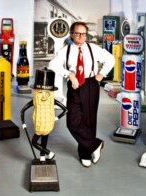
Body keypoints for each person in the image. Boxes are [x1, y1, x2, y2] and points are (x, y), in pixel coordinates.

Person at [48, 22, 115, 167]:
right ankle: (95, 144)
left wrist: (100, 75)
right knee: (72, 121)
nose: (81, 37)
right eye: (78, 33)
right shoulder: (65, 50)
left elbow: (111, 59)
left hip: (91, 84)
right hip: (74, 85)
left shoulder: (93, 48)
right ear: (71, 34)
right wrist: (69, 74)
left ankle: (85, 153)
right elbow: (52, 65)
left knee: (89, 121)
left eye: (84, 34)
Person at [20, 68, 67, 162]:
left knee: (42, 141)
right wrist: (23, 123)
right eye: (41, 92)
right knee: (35, 142)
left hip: (48, 124)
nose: (44, 96)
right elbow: (23, 110)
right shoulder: (35, 101)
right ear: (36, 92)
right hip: (38, 125)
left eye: (47, 93)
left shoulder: (53, 101)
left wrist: (56, 118)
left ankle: (43, 156)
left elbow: (65, 110)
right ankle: (48, 153)